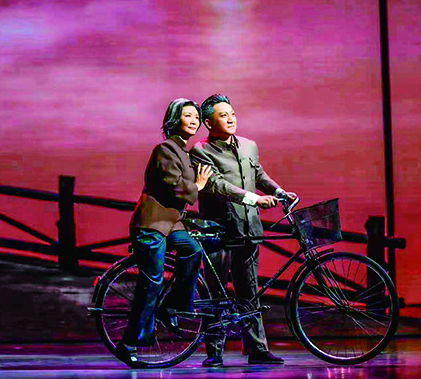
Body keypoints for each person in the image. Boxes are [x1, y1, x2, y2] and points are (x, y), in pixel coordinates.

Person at [189, 94, 296, 367]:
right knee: (216, 292)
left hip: (249, 228)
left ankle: (258, 349)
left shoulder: (249, 145)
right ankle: (215, 351)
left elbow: (258, 174)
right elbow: (216, 184)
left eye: (232, 113)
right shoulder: (200, 151)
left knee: (250, 290)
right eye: (223, 115)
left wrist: (278, 191)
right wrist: (253, 199)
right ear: (208, 122)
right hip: (219, 232)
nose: (231, 118)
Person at [116, 98, 213, 368]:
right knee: (153, 281)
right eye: (188, 115)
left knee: (193, 251)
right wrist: (198, 185)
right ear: (174, 119)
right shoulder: (165, 149)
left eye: (196, 117)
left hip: (172, 224)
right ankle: (129, 343)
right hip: (152, 224)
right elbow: (175, 186)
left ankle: (172, 307)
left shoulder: (183, 151)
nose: (194, 120)